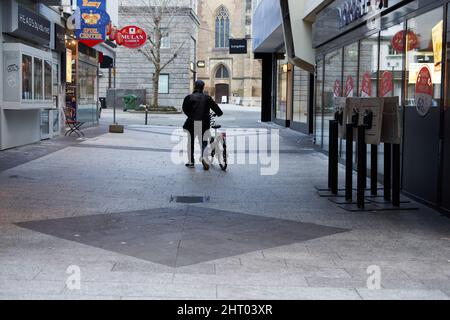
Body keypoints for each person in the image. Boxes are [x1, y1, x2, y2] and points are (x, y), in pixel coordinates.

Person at [183, 80, 223, 170]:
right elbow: (216, 108)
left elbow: (185, 109)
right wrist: (219, 113)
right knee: (203, 142)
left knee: (190, 142)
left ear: (194, 87)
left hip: (192, 123)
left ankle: (191, 162)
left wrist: (191, 115)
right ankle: (204, 158)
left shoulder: (189, 97)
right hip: (204, 123)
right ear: (203, 87)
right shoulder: (207, 98)